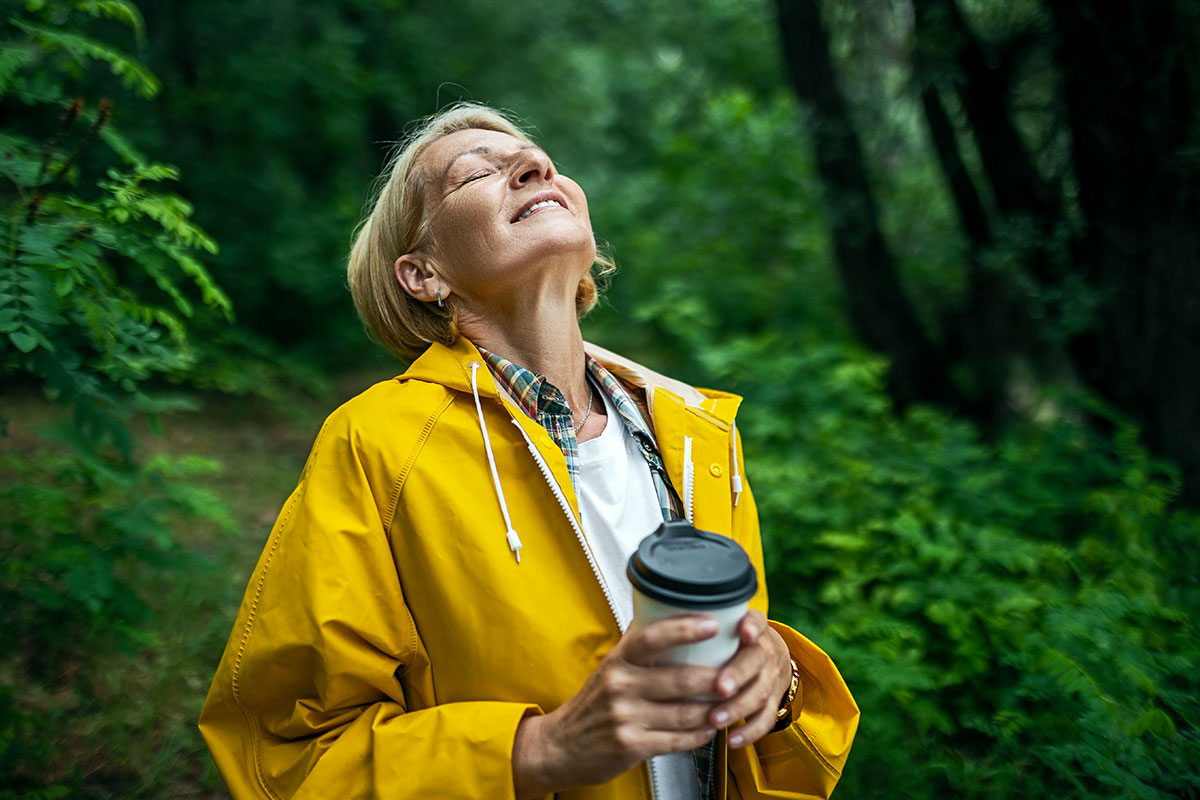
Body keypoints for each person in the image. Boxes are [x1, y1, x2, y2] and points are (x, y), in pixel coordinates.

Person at [199, 102, 858, 800]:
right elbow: (289, 754)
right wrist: (538, 751)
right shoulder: (376, 446)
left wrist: (779, 685)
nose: (534, 166)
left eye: (538, 161)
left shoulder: (699, 435)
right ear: (423, 275)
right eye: (475, 173)